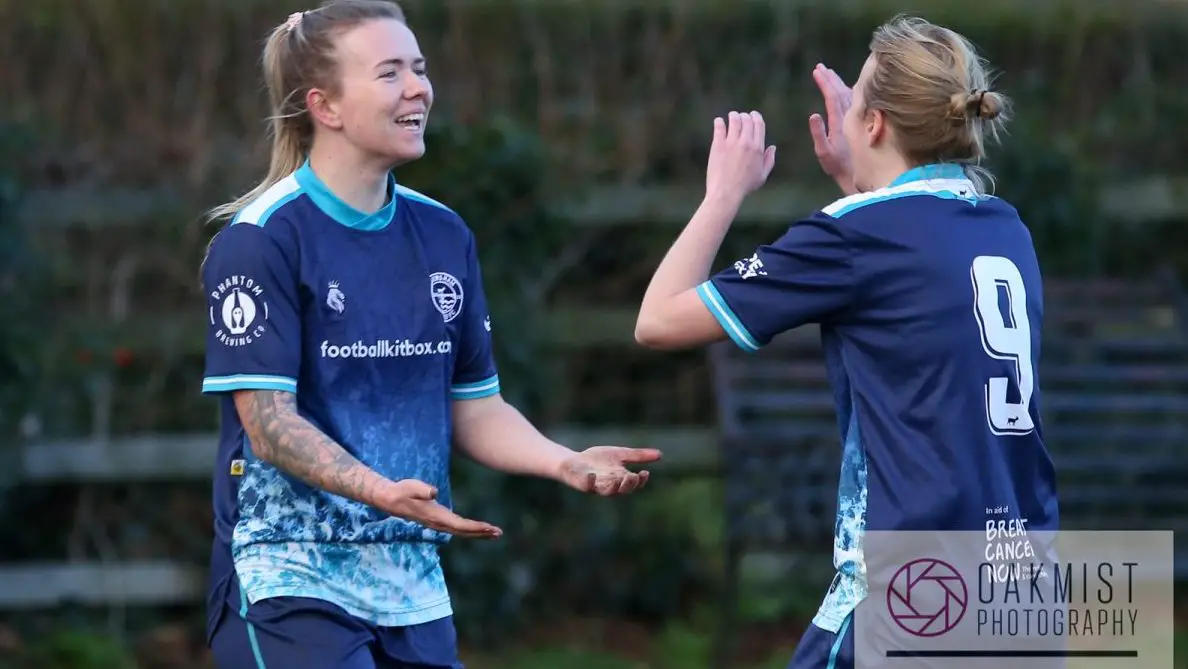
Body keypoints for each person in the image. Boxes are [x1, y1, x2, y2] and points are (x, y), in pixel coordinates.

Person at [199, 2, 661, 667]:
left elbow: (475, 406)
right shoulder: (261, 239)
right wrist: (377, 489)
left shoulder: (443, 234)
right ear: (325, 106)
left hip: (411, 583)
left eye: (419, 68)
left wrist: (563, 460)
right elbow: (268, 424)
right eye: (390, 73)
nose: (419, 87)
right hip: (285, 576)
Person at [634, 15, 1059, 669]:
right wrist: (859, 182)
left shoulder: (854, 236)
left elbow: (658, 320)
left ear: (875, 123)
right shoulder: (1005, 227)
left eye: (856, 98)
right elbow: (901, 273)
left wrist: (724, 194)